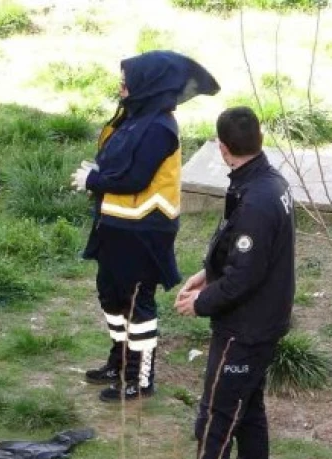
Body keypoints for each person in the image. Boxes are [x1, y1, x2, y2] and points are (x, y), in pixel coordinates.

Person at [143, 106, 296, 459]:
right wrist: (208, 274)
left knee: (215, 422)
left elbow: (246, 274)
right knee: (248, 412)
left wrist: (202, 302)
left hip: (245, 330)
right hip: (264, 322)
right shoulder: (267, 182)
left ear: (222, 148)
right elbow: (245, 256)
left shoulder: (257, 200)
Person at [70, 51, 219, 404]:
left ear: (149, 83)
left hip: (145, 231)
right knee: (111, 295)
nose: (122, 86)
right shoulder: (136, 116)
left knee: (137, 304)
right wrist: (101, 171)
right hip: (117, 225)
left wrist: (95, 179)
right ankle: (119, 363)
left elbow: (136, 178)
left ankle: (140, 378)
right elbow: (119, 164)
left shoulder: (160, 127)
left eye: (128, 79)